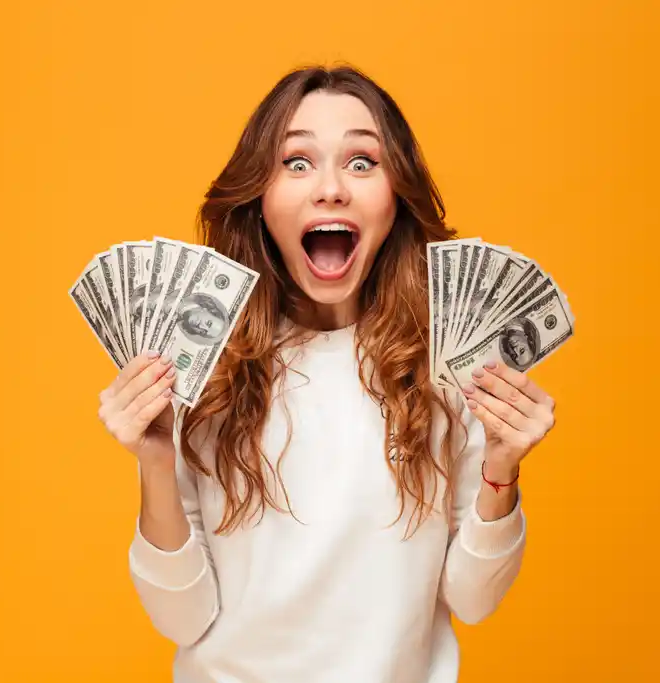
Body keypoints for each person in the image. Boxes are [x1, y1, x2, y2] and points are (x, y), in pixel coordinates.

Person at [96, 65, 558, 683]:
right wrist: (154, 458)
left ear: (396, 199)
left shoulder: (450, 367)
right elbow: (181, 618)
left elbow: (474, 600)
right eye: (297, 162)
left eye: (362, 162)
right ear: (260, 200)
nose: (332, 188)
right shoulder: (205, 367)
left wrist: (502, 463)